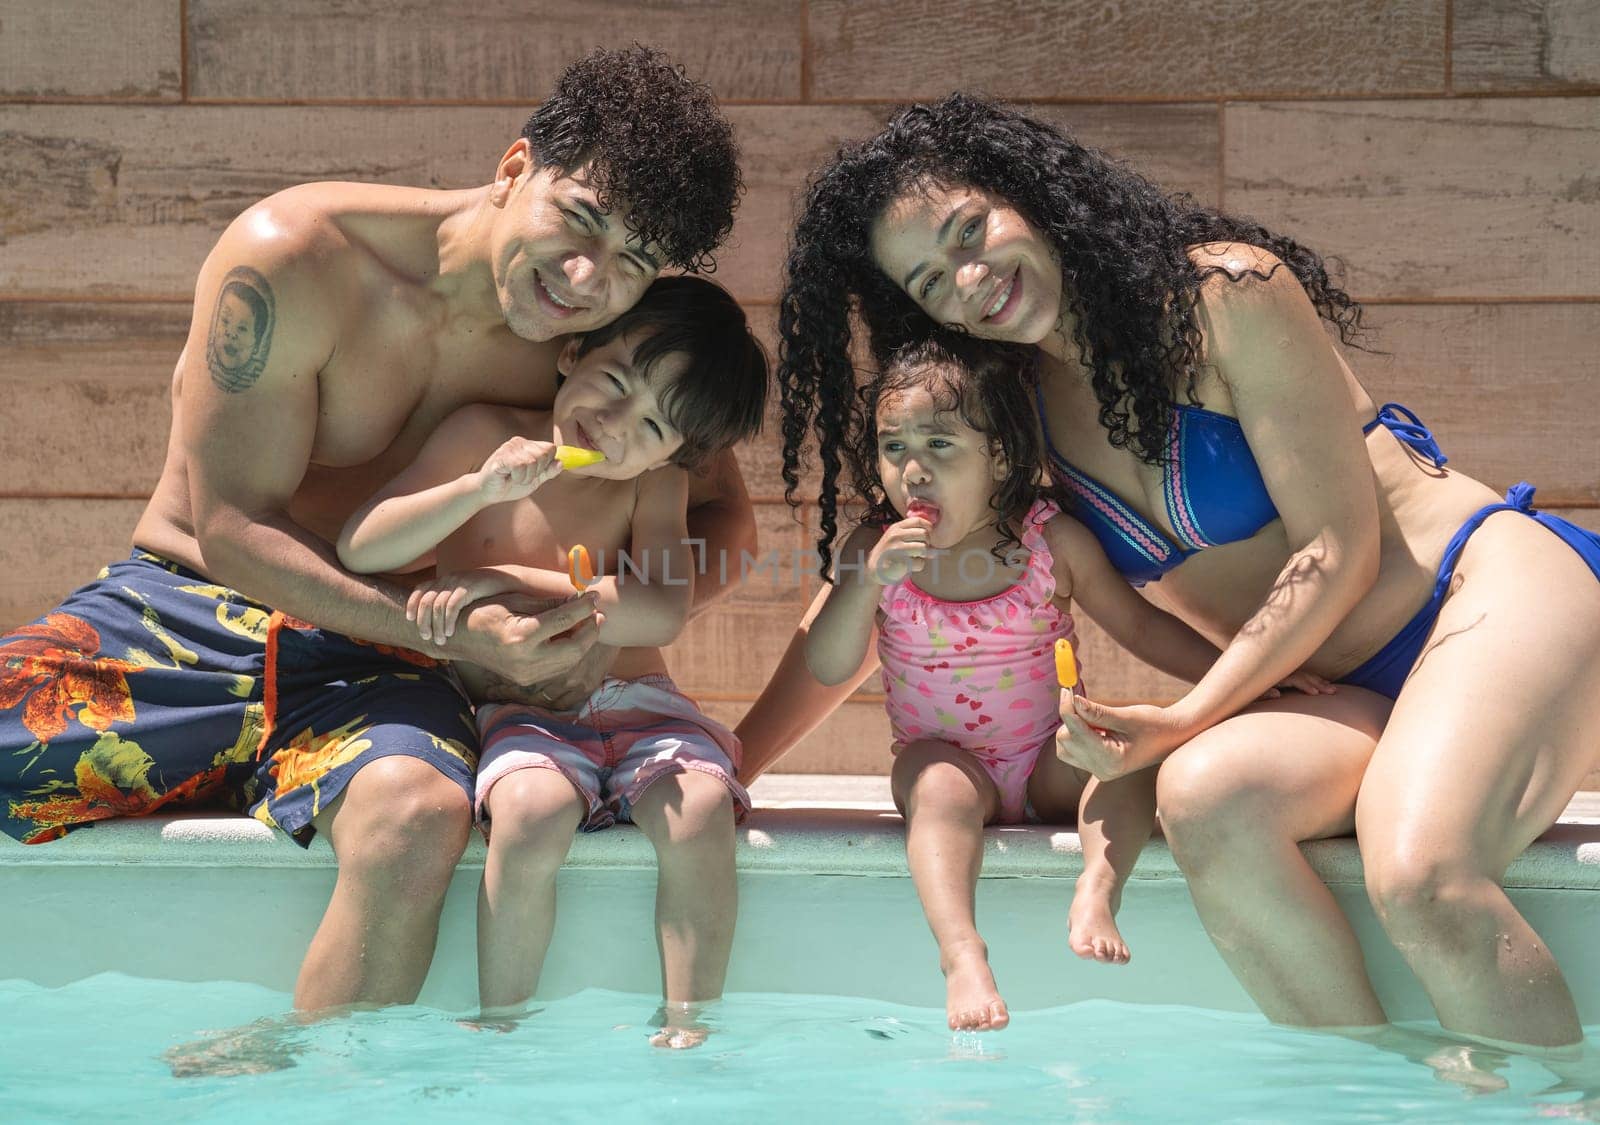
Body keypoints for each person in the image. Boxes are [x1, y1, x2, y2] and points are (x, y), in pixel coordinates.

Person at [755, 92, 1600, 1051]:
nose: (968, 278)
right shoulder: (1016, 410)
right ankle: (1371, 1094)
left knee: (1419, 873)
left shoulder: (1224, 295)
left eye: (969, 229)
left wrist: (1192, 712)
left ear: (1029, 194)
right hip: (1336, 690)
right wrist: (738, 758)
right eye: (928, 280)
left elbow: (1338, 549)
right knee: (1203, 799)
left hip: (1474, 595)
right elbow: (898, 587)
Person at [0, 46, 756, 1016]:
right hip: (185, 609)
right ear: (515, 166)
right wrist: (450, 631)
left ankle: (309, 1091)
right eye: (579, 220)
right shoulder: (297, 255)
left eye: (632, 262)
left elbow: (720, 510)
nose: (584, 275)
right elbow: (232, 528)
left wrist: (604, 627)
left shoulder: (605, 353)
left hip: (389, 668)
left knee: (417, 816)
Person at [804, 331, 1331, 1031]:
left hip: (1046, 753)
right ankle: (961, 952)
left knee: (1124, 751)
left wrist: (1251, 678)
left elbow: (1141, 628)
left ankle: (1097, 888)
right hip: (945, 758)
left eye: (939, 446)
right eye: (894, 447)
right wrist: (864, 586)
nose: (913, 472)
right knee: (936, 790)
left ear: (997, 456)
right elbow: (830, 664)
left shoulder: (1052, 542)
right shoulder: (873, 551)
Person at [338, 274, 766, 1048]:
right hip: (522, 714)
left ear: (682, 453)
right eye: (614, 383)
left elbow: (661, 605)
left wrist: (498, 580)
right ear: (572, 353)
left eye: (654, 426)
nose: (615, 426)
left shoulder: (650, 485)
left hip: (642, 703)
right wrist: (475, 490)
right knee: (530, 814)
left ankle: (689, 1021)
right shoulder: (480, 435)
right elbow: (362, 544)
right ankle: (503, 1019)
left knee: (699, 811)